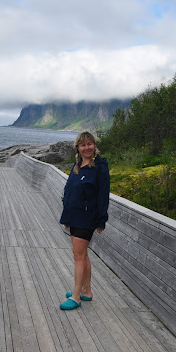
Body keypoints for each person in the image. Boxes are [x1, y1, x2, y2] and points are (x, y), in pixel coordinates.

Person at [59, 131, 110, 310]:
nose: (87, 148)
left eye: (90, 144)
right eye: (83, 145)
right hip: (74, 216)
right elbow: (69, 190)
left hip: (87, 218)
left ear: (94, 146)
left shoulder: (100, 167)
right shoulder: (78, 164)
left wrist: (101, 220)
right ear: (78, 148)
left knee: (78, 256)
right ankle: (86, 291)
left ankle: (76, 296)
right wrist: (66, 214)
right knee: (83, 254)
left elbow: (103, 195)